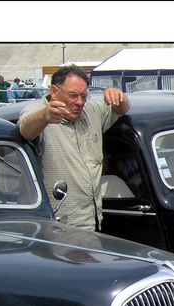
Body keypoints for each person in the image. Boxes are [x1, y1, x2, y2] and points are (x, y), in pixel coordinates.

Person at [19, 65, 130, 231]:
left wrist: (119, 97)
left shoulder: (90, 112)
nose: (79, 102)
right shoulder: (37, 112)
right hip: (57, 225)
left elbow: (122, 109)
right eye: (73, 95)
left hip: (92, 220)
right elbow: (26, 129)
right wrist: (45, 116)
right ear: (54, 91)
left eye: (84, 96)